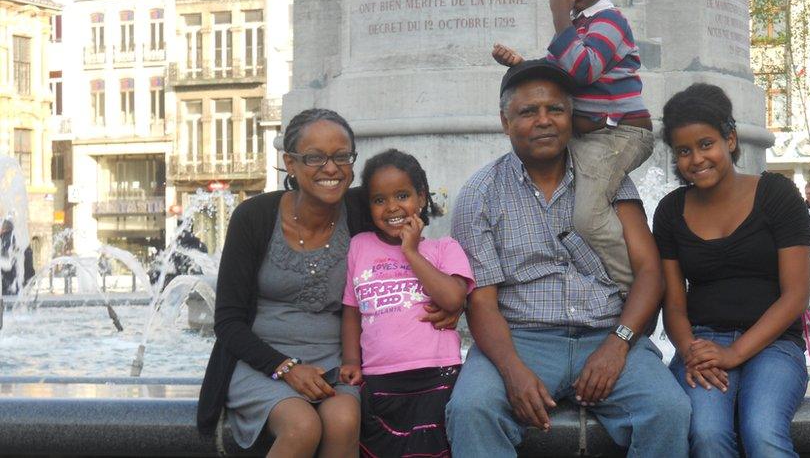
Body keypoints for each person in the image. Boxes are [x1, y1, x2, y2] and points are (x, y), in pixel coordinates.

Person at [447, 60, 690, 457]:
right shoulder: (480, 193)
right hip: (522, 339)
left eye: (555, 110)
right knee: (471, 408)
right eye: (528, 112)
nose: (544, 121)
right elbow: (481, 302)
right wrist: (512, 371)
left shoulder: (608, 177)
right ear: (505, 122)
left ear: (571, 116)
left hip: (607, 332)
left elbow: (649, 271)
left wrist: (619, 342)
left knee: (669, 409)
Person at [197, 109, 456, 456]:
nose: (331, 168)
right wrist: (285, 367)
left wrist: (451, 305)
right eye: (315, 158)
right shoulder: (254, 217)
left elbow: (402, 249)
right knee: (302, 426)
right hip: (261, 362)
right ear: (290, 163)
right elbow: (227, 321)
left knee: (344, 419)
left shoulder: (364, 209)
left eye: (341, 157)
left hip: (337, 362)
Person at [491, 0, 653, 294]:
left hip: (620, 133)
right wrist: (519, 65)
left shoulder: (610, 22)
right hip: (593, 136)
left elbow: (582, 70)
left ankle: (635, 286)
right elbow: (554, 74)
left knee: (587, 217)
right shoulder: (576, 28)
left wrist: (560, 17)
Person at [653, 84, 810, 457]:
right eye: (684, 151)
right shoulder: (671, 211)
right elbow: (673, 306)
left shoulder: (777, 194)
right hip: (704, 342)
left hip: (774, 345)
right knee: (706, 434)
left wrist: (736, 352)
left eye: (706, 144)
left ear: (731, 139)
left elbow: (796, 295)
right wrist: (690, 350)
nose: (696, 159)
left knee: (763, 431)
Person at [340, 149, 474, 458]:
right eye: (379, 200)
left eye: (402, 195)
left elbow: (454, 298)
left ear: (421, 197)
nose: (391, 208)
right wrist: (351, 361)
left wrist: (411, 252)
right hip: (380, 379)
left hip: (435, 375)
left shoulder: (444, 248)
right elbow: (351, 309)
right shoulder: (359, 246)